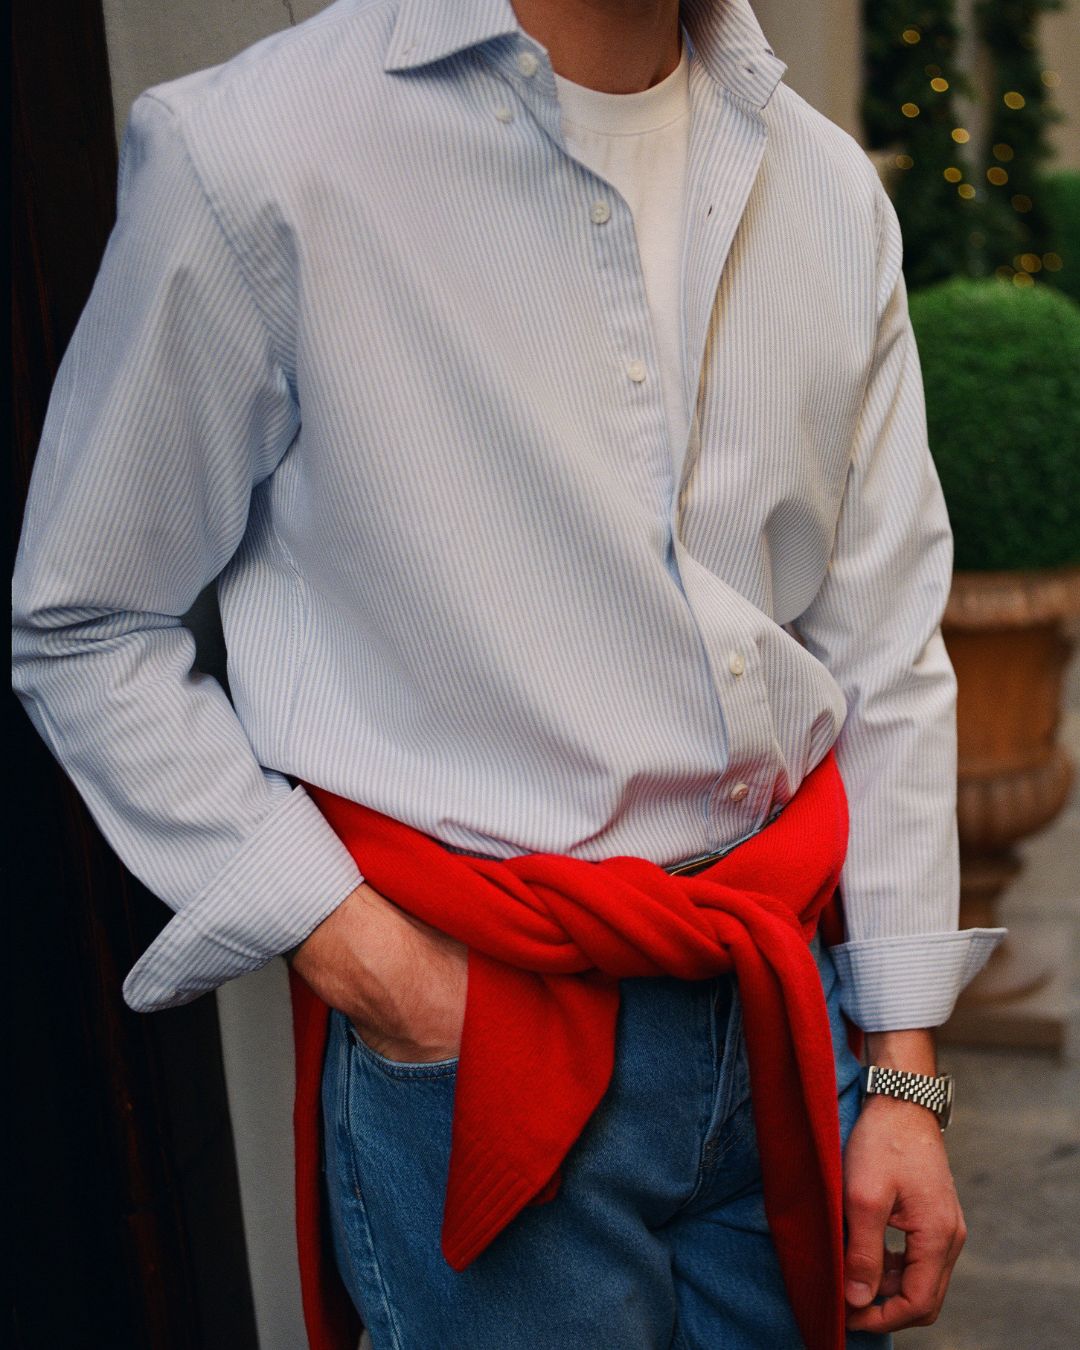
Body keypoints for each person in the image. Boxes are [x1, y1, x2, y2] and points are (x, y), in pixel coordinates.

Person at [11, 0, 1007, 1346]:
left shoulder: (825, 185)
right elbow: (87, 619)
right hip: (484, 1028)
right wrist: (368, 958)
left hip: (785, 1010)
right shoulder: (259, 153)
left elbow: (882, 648)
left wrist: (902, 1069)